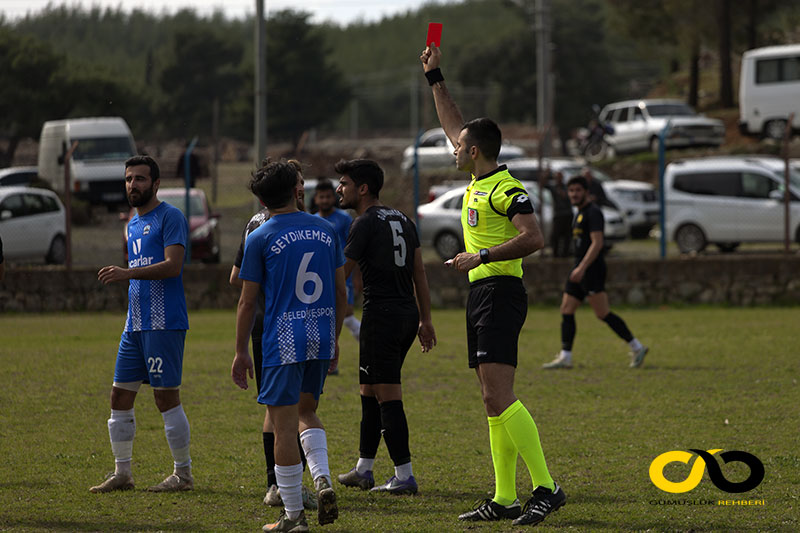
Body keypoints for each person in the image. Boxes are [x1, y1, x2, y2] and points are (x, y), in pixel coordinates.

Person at [421, 44, 566, 526]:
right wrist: (435, 76)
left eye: (459, 146)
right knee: (489, 399)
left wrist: (480, 254)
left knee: (500, 396)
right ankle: (504, 497)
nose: (453, 149)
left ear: (475, 151)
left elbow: (535, 238)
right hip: (481, 294)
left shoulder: (506, 189)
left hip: (500, 292)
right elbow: (452, 122)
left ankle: (546, 487)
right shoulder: (477, 178)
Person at [232, 159, 346, 532]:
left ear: (263, 200)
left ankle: (294, 516)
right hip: (320, 332)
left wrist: (240, 351)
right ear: (297, 190)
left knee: (282, 427)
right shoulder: (327, 229)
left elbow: (247, 301)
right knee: (307, 411)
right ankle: (323, 477)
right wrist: (336, 337)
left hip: (283, 337)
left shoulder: (260, 236)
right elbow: (342, 291)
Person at [334, 158, 436, 496]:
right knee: (368, 389)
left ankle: (404, 475)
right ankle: (364, 468)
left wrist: (329, 321)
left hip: (382, 316)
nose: (339, 189)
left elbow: (342, 275)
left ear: (362, 189)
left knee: (387, 394)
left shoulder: (363, 223)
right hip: (405, 312)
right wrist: (425, 318)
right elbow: (419, 272)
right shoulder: (403, 218)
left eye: (345, 183)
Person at [92, 155, 193, 494]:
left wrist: (127, 273)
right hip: (134, 324)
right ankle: (123, 474)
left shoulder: (171, 217)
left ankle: (183, 474)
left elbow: (172, 266)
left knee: (166, 399)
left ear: (156, 183)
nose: (132, 185)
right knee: (119, 396)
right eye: (129, 179)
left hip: (163, 323)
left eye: (140, 179)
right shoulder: (132, 223)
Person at [229, 159, 317, 512]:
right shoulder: (268, 224)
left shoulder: (264, 223)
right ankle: (284, 488)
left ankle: (278, 485)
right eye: (299, 181)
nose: (302, 187)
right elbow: (239, 280)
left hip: (277, 324)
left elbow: (236, 277)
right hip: (282, 323)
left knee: (280, 407)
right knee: (291, 409)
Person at [543, 176, 648, 370]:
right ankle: (566, 356)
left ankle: (637, 347)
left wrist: (582, 268)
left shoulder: (593, 212)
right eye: (571, 190)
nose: (574, 194)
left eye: (578, 190)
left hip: (591, 270)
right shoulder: (580, 213)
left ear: (586, 192)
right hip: (579, 268)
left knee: (602, 313)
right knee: (567, 309)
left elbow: (597, 243)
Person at [313, 179, 361, 343]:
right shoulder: (312, 220)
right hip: (319, 276)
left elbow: (355, 249)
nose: (325, 200)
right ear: (316, 199)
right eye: (322, 197)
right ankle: (330, 362)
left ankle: (368, 342)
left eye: (328, 196)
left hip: (342, 274)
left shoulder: (344, 219)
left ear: (333, 198)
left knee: (346, 314)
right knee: (324, 318)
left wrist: (356, 277)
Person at [546, 170, 573, 258]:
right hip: (558, 214)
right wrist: (546, 174)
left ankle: (565, 253)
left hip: (567, 214)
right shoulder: (553, 187)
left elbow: (566, 196)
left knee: (567, 235)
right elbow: (543, 184)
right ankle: (556, 253)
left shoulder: (566, 187)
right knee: (555, 235)